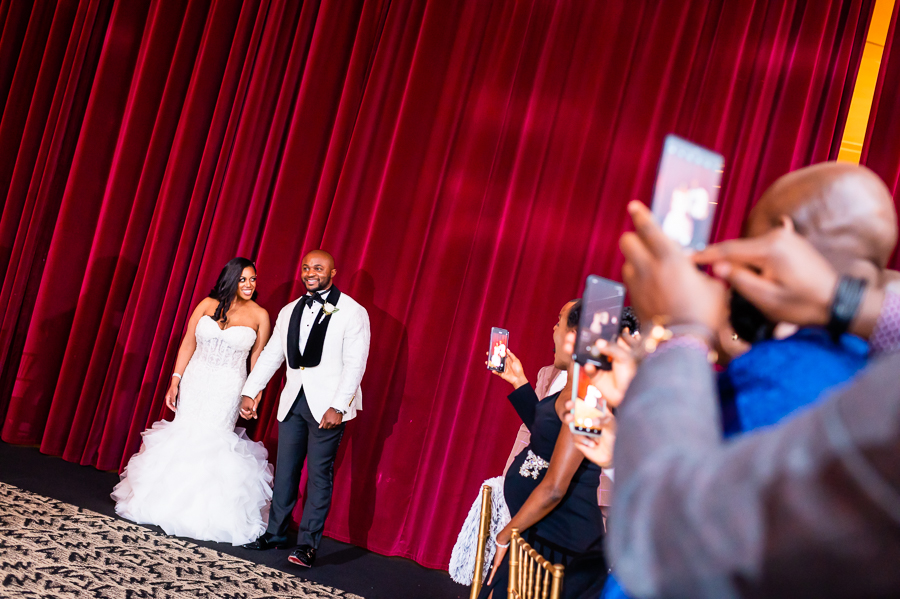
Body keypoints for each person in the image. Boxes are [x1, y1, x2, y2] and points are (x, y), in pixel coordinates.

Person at [603, 200, 900, 598]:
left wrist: (681, 334)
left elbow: (672, 537)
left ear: (783, 234)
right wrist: (843, 302)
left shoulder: (789, 377)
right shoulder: (861, 365)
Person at [718, 163, 897, 435]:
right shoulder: (884, 379)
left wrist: (685, 335)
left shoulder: (768, 376)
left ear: (781, 236)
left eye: (750, 234)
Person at [112, 258, 273, 545]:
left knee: (214, 440)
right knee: (184, 432)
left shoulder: (260, 314)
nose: (250, 285)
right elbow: (188, 342)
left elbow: (258, 358)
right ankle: (164, 502)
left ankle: (206, 512)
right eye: (243, 279)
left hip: (228, 387)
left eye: (253, 279)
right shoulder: (206, 304)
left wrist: (254, 393)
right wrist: (175, 379)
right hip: (195, 380)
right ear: (231, 279)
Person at [240, 250, 370, 568]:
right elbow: (273, 354)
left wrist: (338, 407)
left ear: (333, 272)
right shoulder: (289, 311)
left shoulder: (352, 312)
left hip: (328, 407)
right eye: (307, 267)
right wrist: (250, 390)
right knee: (285, 471)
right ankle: (275, 534)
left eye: (319, 268)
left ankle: (308, 546)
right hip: (293, 402)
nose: (311, 272)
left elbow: (355, 364)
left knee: (319, 477)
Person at [480, 300, 608, 599]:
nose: (552, 328)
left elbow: (554, 488)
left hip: (559, 545)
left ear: (574, 336)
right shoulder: (574, 385)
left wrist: (504, 535)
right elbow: (549, 436)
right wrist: (519, 381)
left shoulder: (589, 395)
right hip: (539, 530)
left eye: (559, 321)